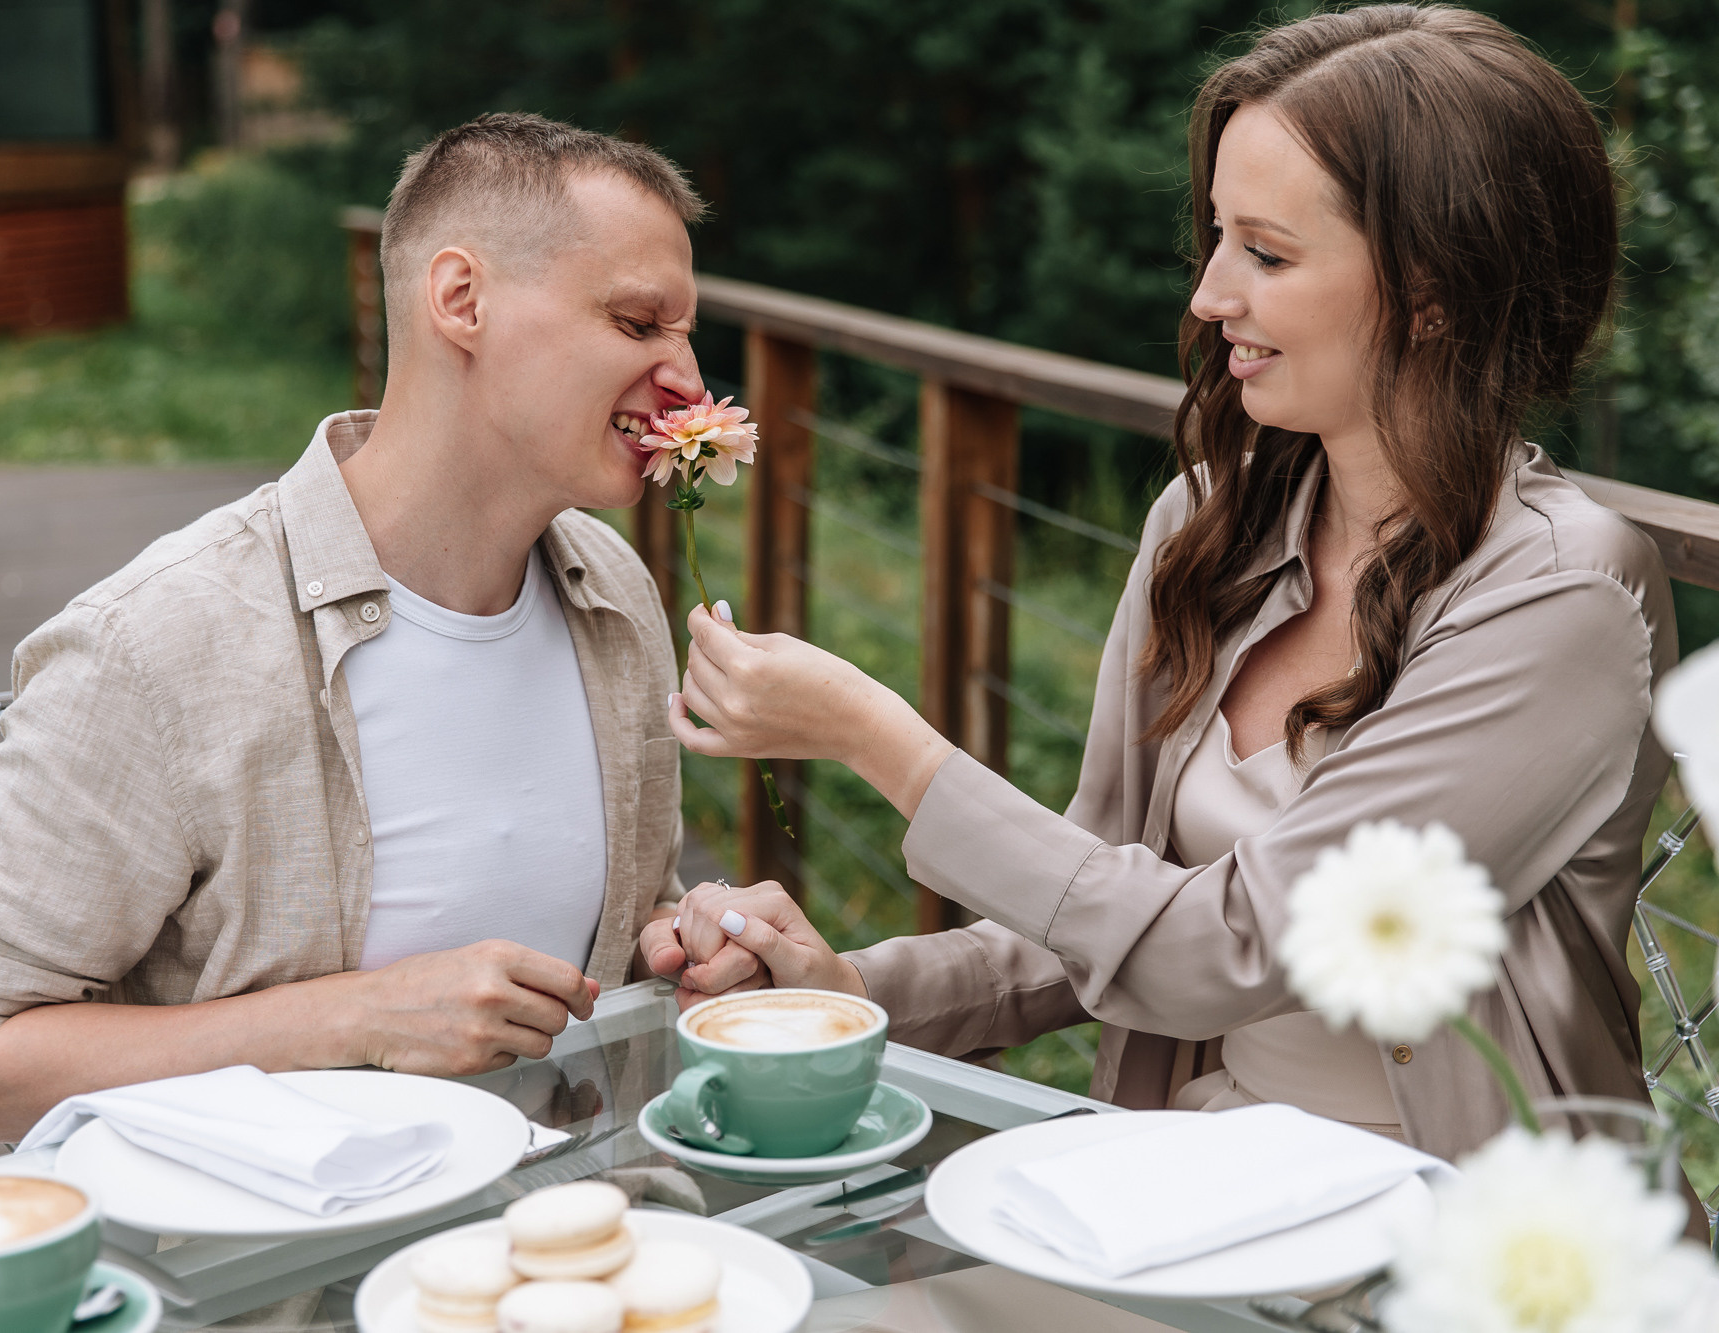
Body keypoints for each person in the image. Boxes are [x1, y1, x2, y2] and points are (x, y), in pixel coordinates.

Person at [645, 5, 1675, 1162]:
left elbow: (1207, 951)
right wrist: (844, 989)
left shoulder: (1560, 598)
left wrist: (877, 738)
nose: (1208, 295)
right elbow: (1084, 906)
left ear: (1433, 291)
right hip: (1191, 1179)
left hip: (1457, 1242)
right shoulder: (1206, 522)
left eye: (1267, 253)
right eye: (1217, 238)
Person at [0, 113, 710, 1146]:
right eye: (639, 325)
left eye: (685, 333)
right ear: (461, 300)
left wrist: (692, 941)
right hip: (278, 1290)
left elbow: (620, 936)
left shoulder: (614, 590)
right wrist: (352, 1018)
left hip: (581, 1239)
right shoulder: (153, 646)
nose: (689, 381)